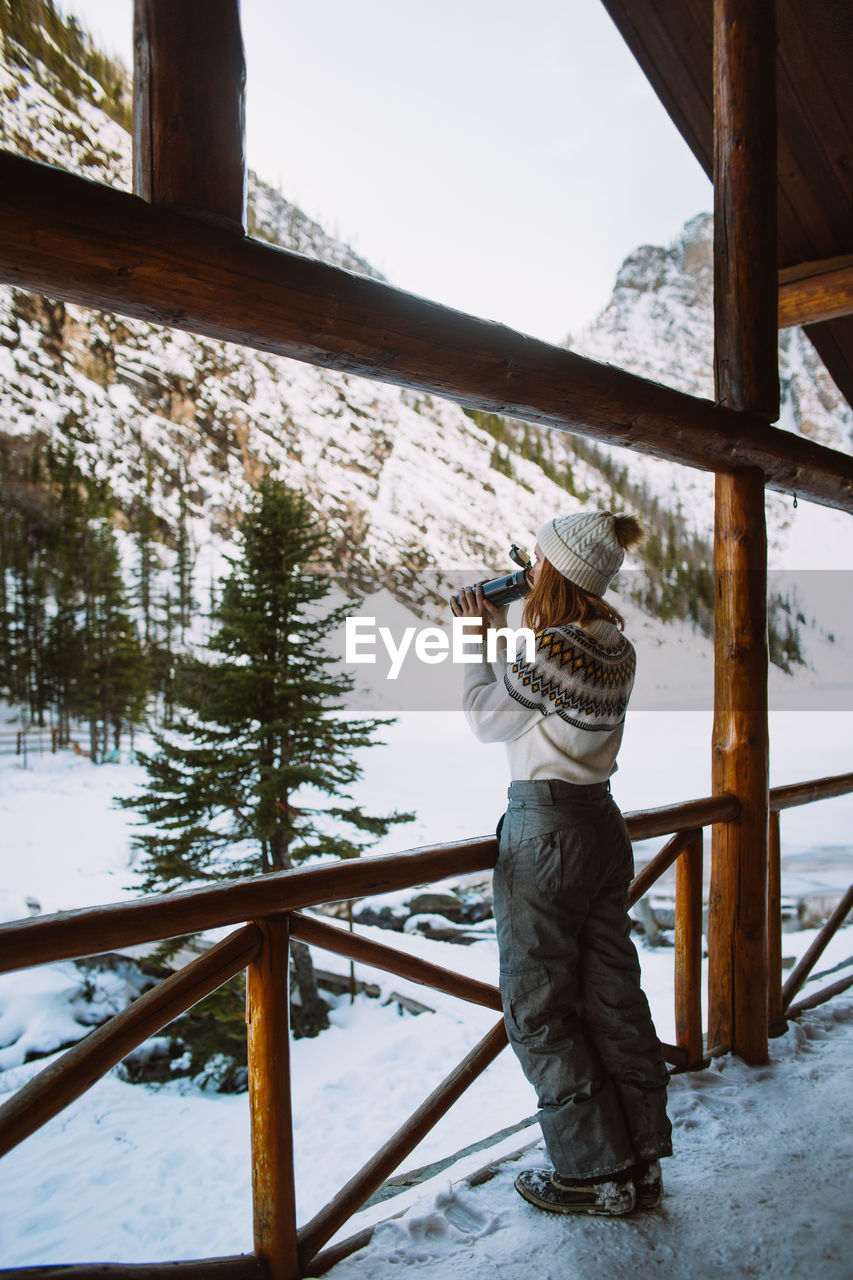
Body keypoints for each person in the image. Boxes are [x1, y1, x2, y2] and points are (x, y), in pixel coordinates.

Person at [450, 510, 672, 1217]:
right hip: (600, 824)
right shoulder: (612, 645)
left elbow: (488, 719)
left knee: (539, 1009)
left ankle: (591, 1172)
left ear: (558, 574)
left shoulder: (554, 649)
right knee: (612, 997)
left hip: (545, 830)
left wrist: (476, 641)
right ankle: (638, 1160)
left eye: (537, 562)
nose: (529, 570)